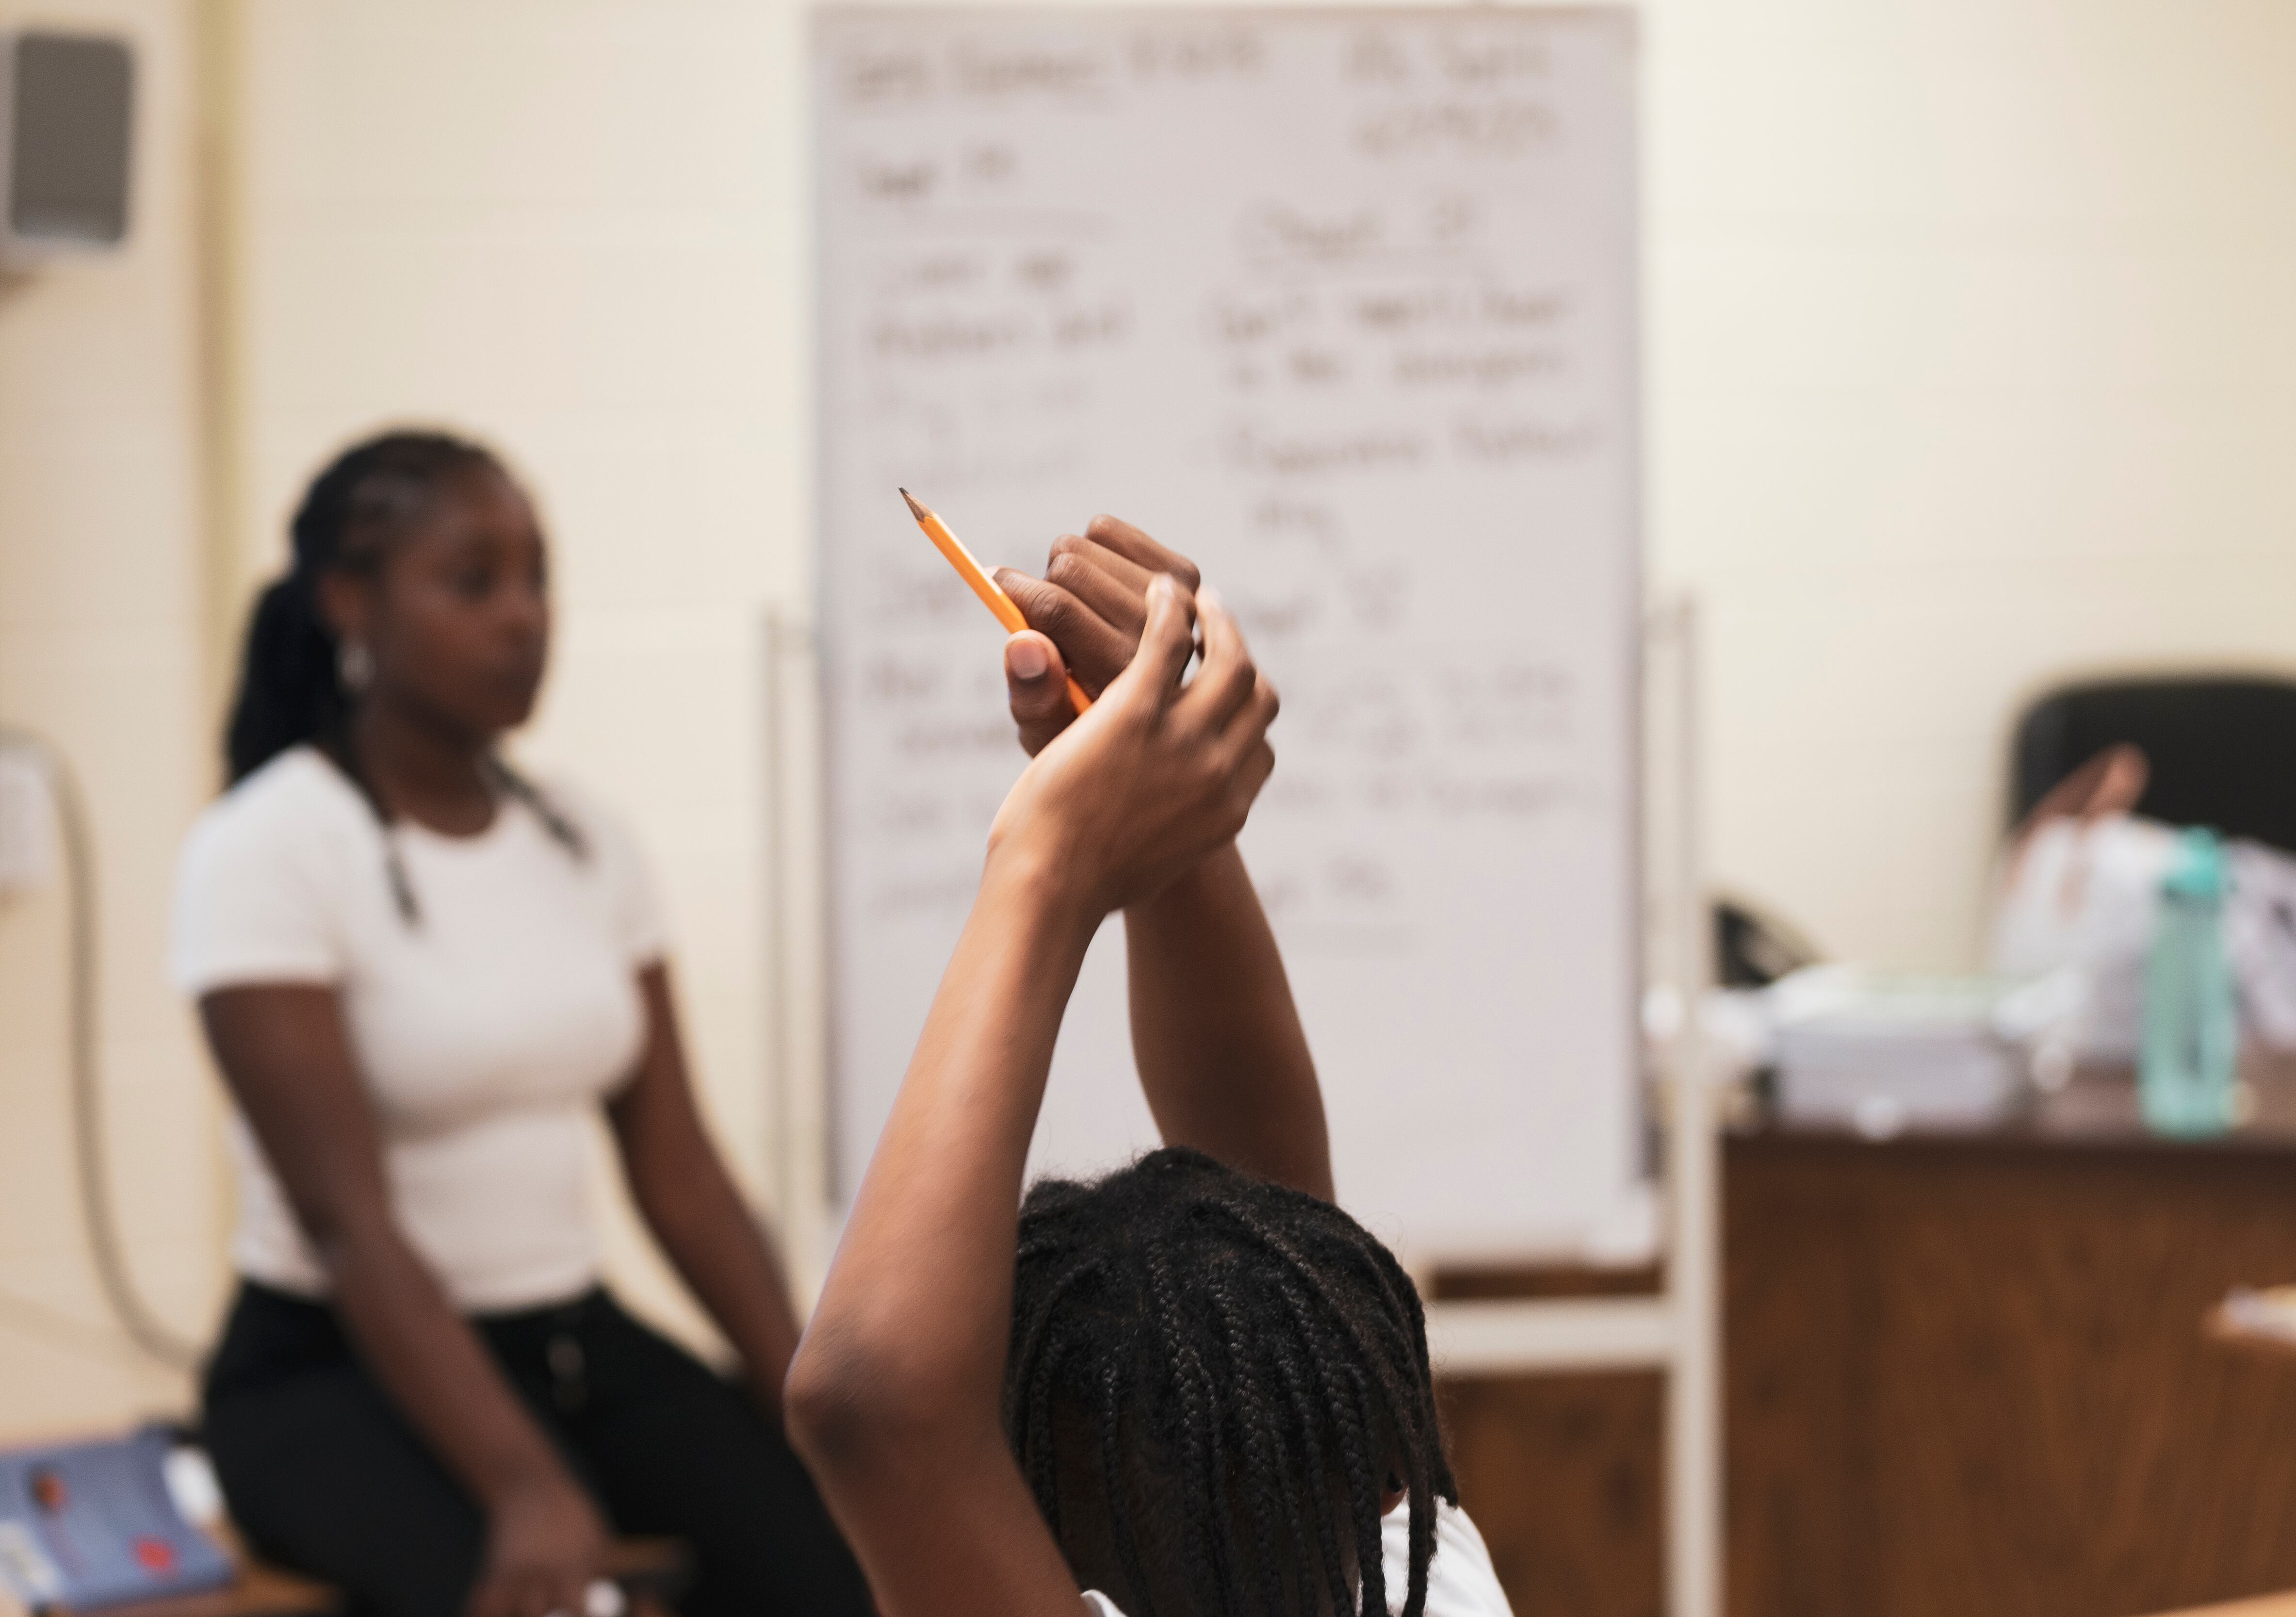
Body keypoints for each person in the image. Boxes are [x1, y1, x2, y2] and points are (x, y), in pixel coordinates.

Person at [170, 431, 870, 1617]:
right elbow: (349, 1227)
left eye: (539, 576)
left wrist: (816, 1410)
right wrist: (528, 1485)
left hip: (573, 1349)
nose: (525, 615)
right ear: (352, 604)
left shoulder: (585, 840)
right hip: (329, 1373)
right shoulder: (268, 849)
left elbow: (683, 1173)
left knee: (846, 1568)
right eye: (474, 579)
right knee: (559, 1599)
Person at [784, 517, 1514, 1617]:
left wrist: (1048, 866)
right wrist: (1174, 823)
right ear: (1376, 1464)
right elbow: (1270, 1201)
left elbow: (875, 1400)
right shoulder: (1427, 1579)